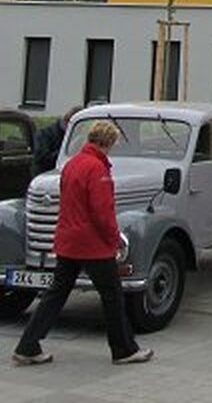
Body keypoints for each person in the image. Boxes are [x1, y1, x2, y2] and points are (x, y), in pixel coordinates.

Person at [12, 120, 153, 366]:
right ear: (109, 142)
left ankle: (28, 345)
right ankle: (123, 349)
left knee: (55, 294)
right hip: (93, 245)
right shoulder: (98, 169)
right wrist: (115, 239)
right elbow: (102, 212)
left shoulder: (72, 164)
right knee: (112, 296)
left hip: (68, 241)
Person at [32, 106, 81, 176]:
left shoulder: (76, 136)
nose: (79, 130)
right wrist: (68, 149)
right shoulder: (44, 134)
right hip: (45, 174)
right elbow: (42, 158)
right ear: (67, 122)